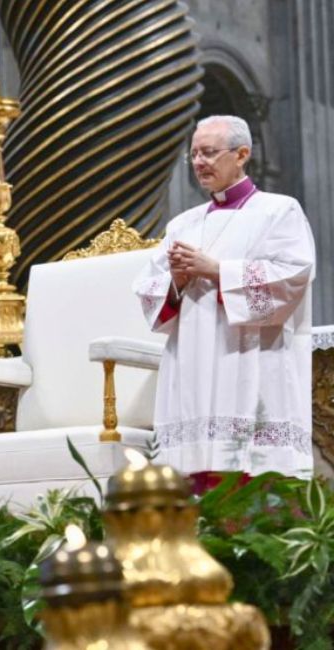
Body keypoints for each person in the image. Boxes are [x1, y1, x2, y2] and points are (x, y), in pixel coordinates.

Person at [133, 115, 315, 490]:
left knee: (251, 473)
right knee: (194, 473)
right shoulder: (182, 224)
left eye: (210, 153)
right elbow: (150, 292)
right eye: (194, 154)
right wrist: (178, 282)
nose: (200, 162)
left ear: (242, 154)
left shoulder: (278, 211)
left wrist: (217, 271)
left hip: (250, 357)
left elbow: (293, 276)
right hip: (192, 359)